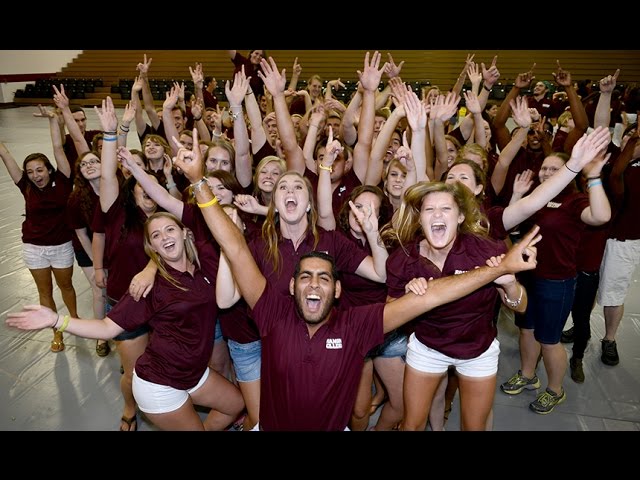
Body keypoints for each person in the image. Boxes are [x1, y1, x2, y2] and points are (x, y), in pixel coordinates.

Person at [170, 127, 542, 431]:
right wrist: (199, 181)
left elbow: (427, 298)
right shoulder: (271, 314)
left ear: (338, 290)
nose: (314, 284)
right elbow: (235, 248)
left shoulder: (355, 326)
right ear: (291, 287)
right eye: (305, 277)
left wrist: (500, 270)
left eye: (323, 278)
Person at [7, 211, 245, 431]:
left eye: (170, 230)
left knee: (235, 404)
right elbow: (107, 327)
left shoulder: (203, 262)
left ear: (184, 233)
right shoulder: (150, 286)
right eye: (156, 235)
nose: (164, 237)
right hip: (159, 384)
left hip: (193, 373)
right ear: (152, 247)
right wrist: (57, 319)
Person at [500, 132, 611, 415]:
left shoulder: (575, 201)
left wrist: (595, 177)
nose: (547, 172)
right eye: (545, 168)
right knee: (527, 331)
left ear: (567, 171)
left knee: (549, 340)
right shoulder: (534, 200)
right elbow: (509, 227)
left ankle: (555, 390)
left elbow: (600, 217)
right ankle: (528, 374)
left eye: (555, 168)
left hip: (556, 281)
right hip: (527, 277)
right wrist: (515, 195)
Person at [0, 108, 77, 353]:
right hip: (34, 248)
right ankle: (56, 333)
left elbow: (57, 147)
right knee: (44, 292)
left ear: (50, 170)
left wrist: (54, 120)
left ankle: (75, 323)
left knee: (66, 288)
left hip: (61, 245)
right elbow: (4, 154)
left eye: (40, 170)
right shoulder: (26, 186)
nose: (35, 175)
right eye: (30, 172)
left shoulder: (64, 180)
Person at [596, 121, 640, 367]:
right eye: (629, 135)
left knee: (614, 292)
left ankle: (609, 338)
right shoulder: (614, 159)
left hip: (624, 240)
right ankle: (580, 326)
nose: (632, 139)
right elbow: (615, 173)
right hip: (596, 236)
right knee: (588, 284)